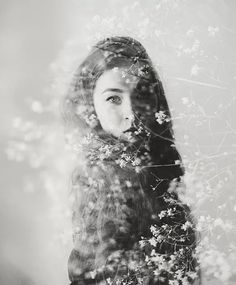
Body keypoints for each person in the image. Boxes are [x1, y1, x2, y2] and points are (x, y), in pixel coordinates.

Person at [63, 36, 201, 285]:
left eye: (141, 95)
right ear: (89, 105)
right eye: (113, 98)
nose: (131, 113)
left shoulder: (162, 164)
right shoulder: (97, 176)